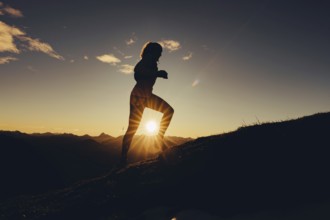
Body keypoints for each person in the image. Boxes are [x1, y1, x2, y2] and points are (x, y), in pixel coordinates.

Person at [120, 42, 174, 166]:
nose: (160, 55)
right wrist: (157, 73)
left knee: (169, 111)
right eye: (159, 52)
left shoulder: (152, 63)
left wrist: (157, 73)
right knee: (132, 129)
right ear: (152, 52)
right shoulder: (146, 60)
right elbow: (137, 72)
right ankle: (122, 160)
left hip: (147, 97)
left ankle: (158, 140)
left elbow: (141, 74)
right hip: (138, 97)